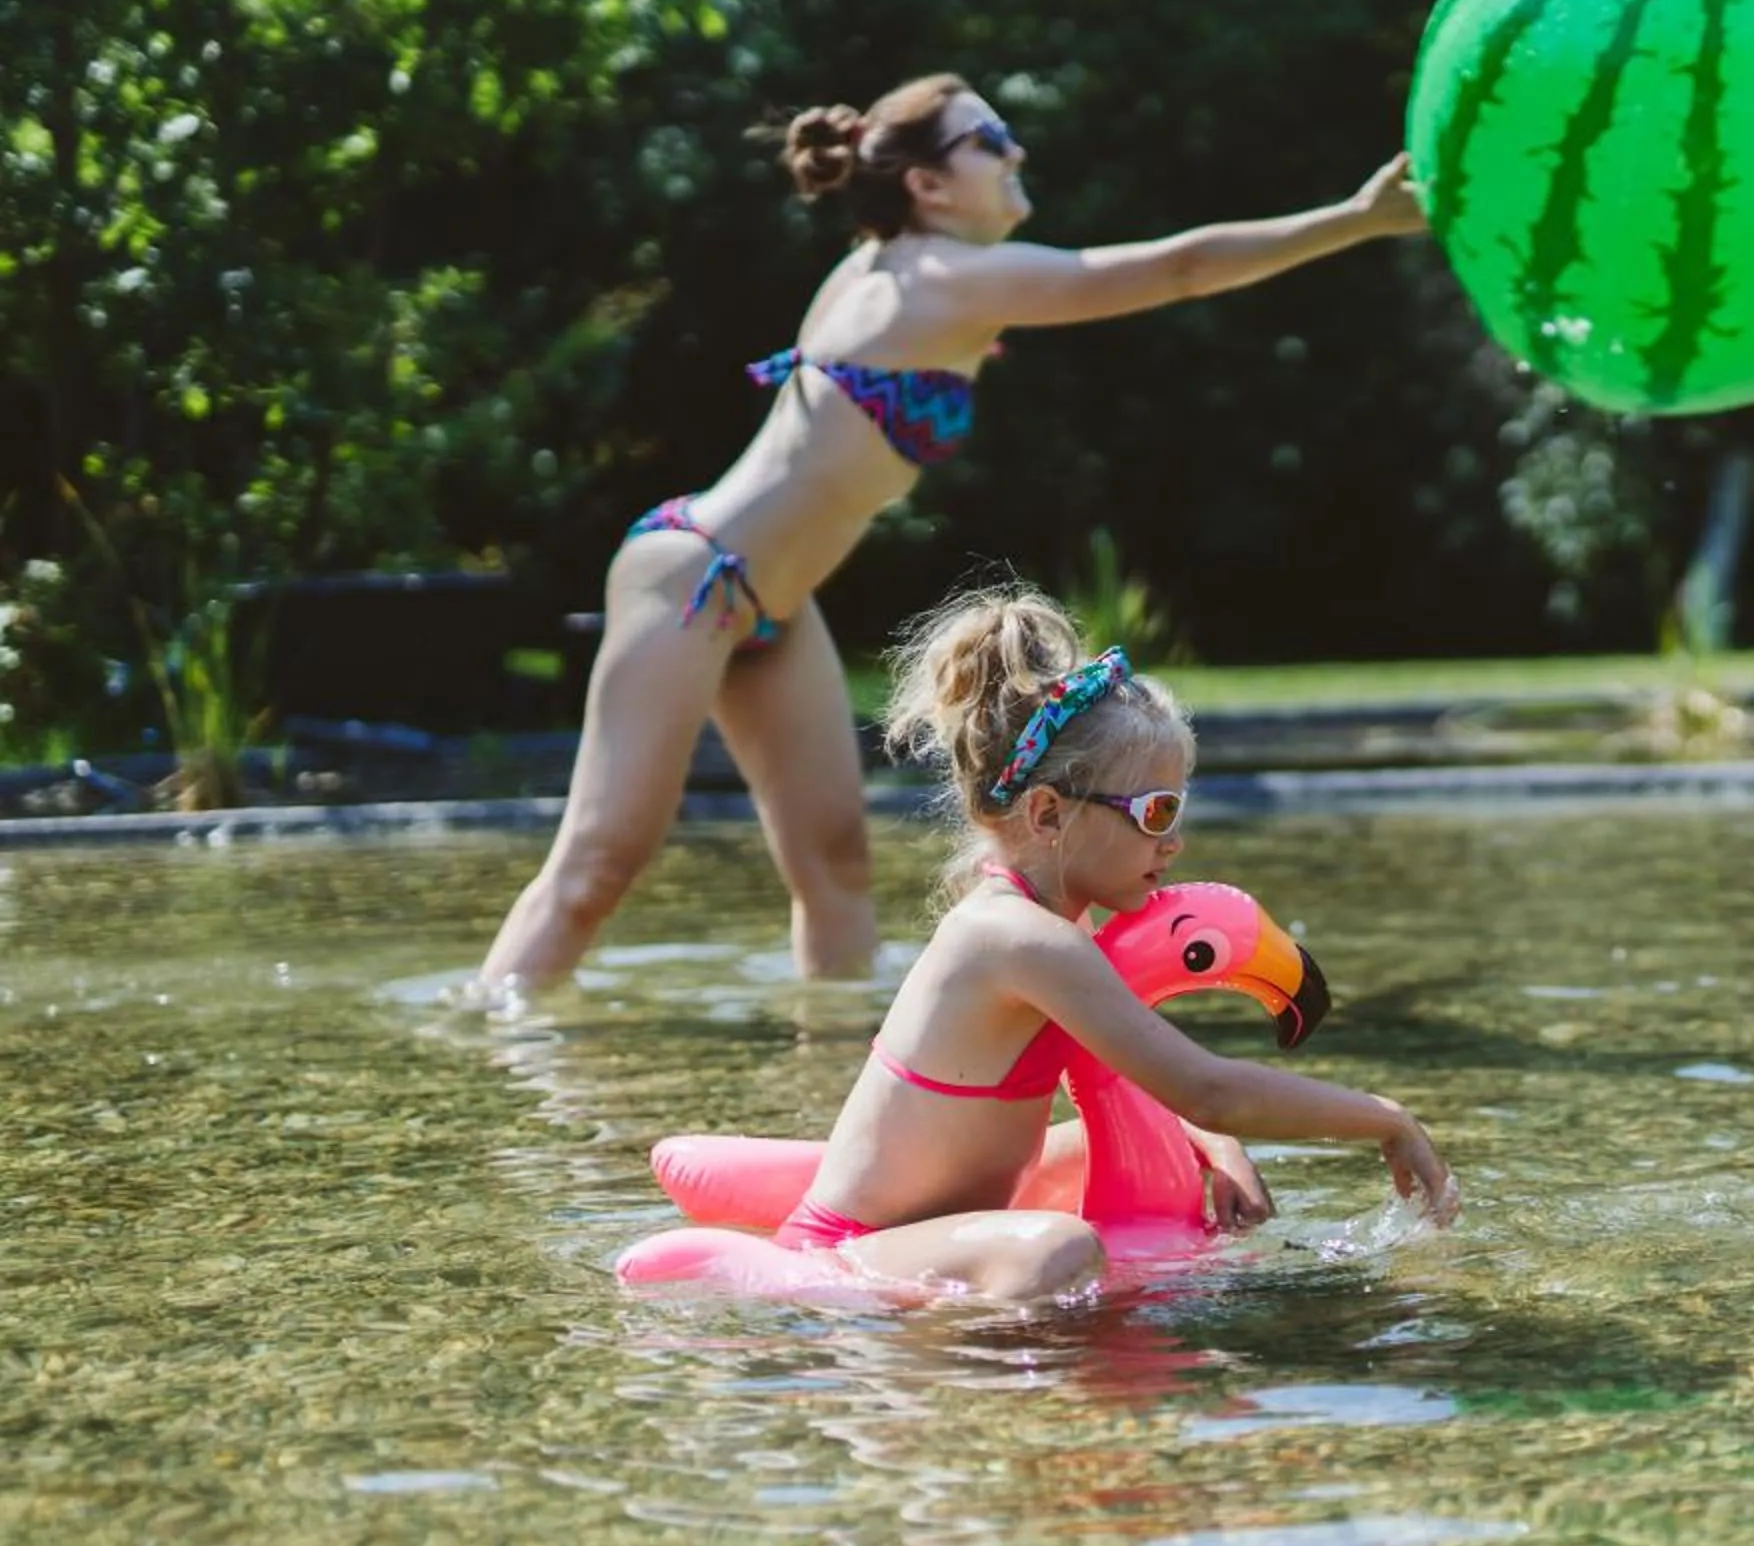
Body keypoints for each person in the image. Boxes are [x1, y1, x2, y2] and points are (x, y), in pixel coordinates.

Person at [471, 73, 1425, 995]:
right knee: (600, 863)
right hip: (695, 574)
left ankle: (843, 1070)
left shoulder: (906, 268)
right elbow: (1173, 269)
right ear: (927, 184)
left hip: (776, 604)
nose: (1018, 150)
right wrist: (1355, 219)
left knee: (838, 866)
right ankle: (494, 1044)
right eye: (991, 139)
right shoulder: (938, 276)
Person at [763, 582, 1456, 1302]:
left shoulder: (1049, 919)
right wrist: (1383, 1119)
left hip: (926, 1235)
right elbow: (1206, 1087)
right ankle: (972, 1392)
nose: (1176, 841)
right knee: (1061, 1251)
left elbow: (1143, 1081)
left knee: (1153, 1164)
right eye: (1155, 813)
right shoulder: (1016, 937)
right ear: (1048, 814)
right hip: (849, 1259)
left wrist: (1209, 1143)